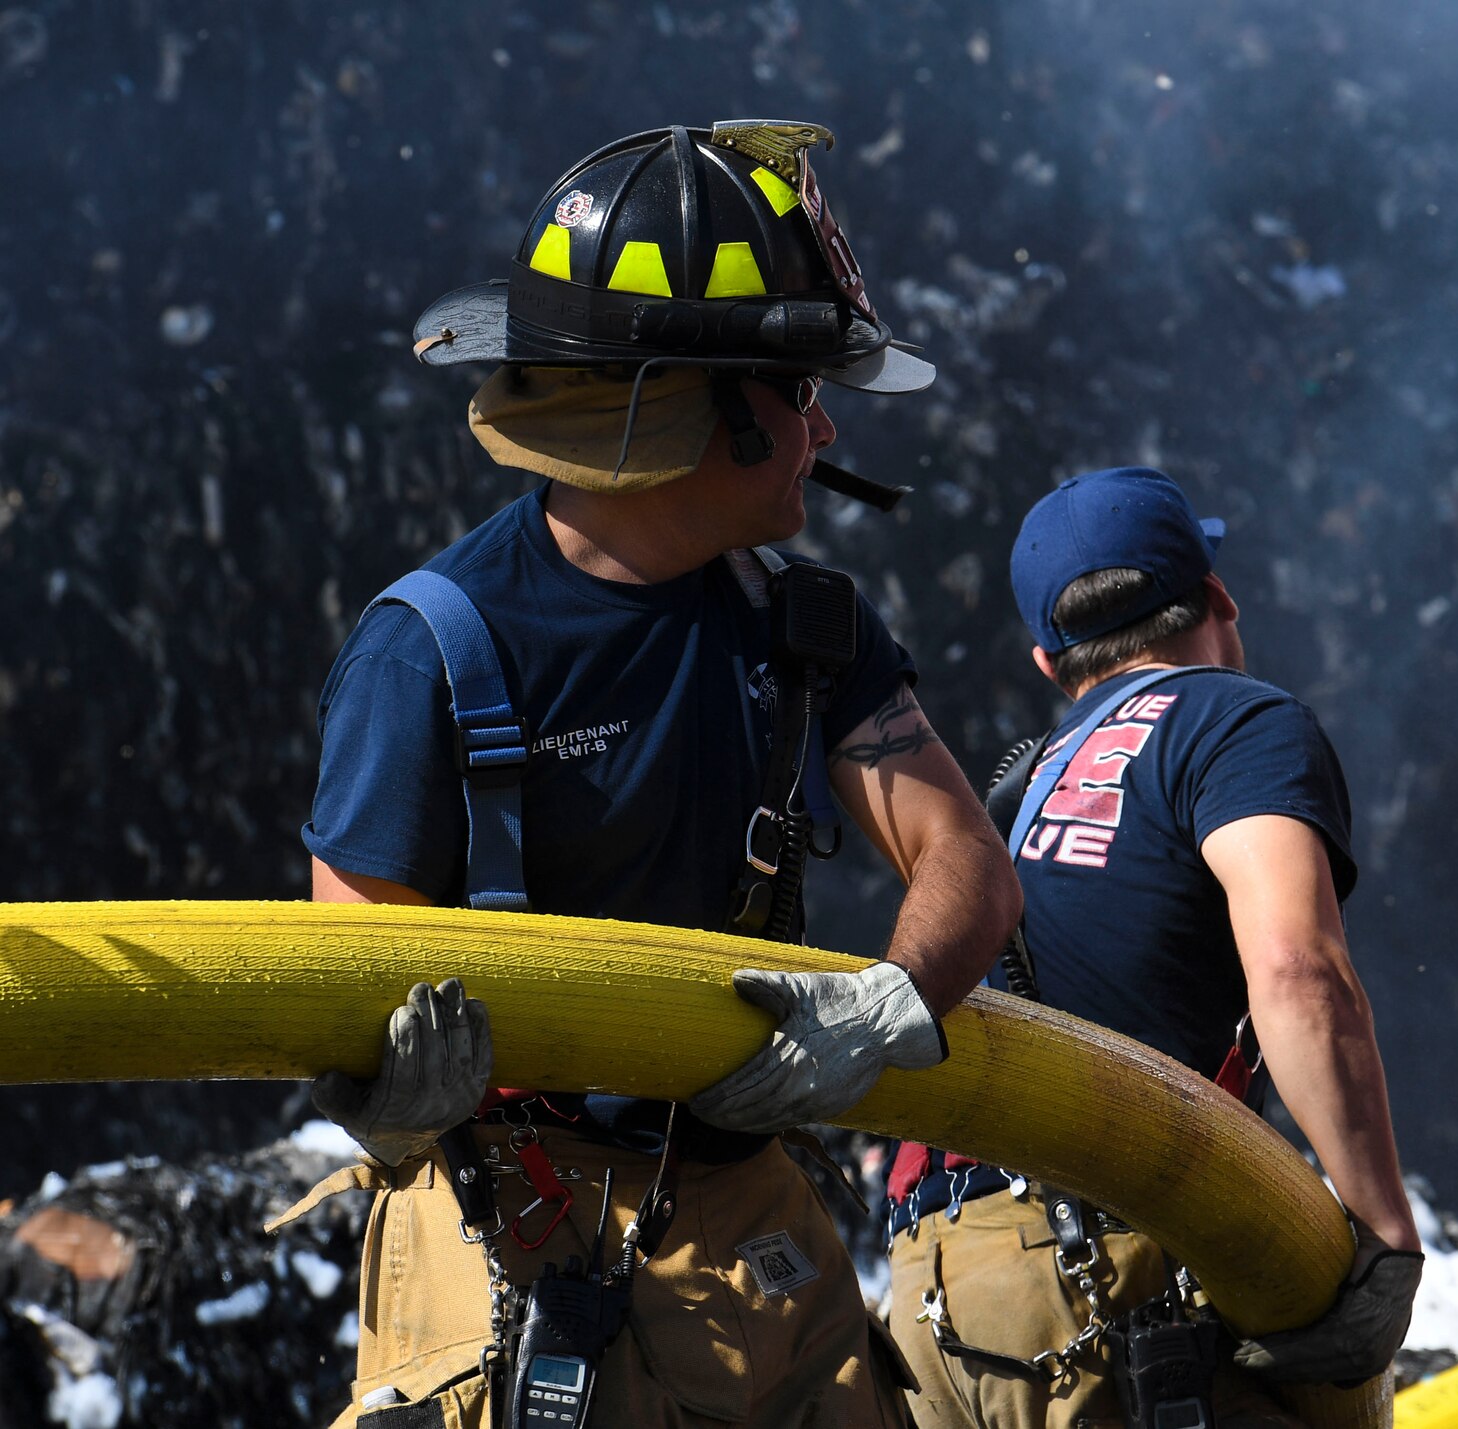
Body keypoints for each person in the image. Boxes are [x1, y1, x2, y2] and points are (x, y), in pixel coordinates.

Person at [289, 122, 1020, 1428]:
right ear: (699, 398)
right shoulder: (433, 651)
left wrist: (889, 1005)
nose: (824, 423)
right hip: (510, 1220)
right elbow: (356, 972)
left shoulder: (807, 626)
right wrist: (397, 1090)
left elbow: (963, 855)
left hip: (759, 1229)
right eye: (797, 390)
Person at [882, 467, 1422, 1428]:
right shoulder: (1238, 721)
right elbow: (1298, 970)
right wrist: (1384, 1231)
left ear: (1050, 662)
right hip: (1109, 1273)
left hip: (936, 1290)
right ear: (1218, 596)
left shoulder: (1018, 790)